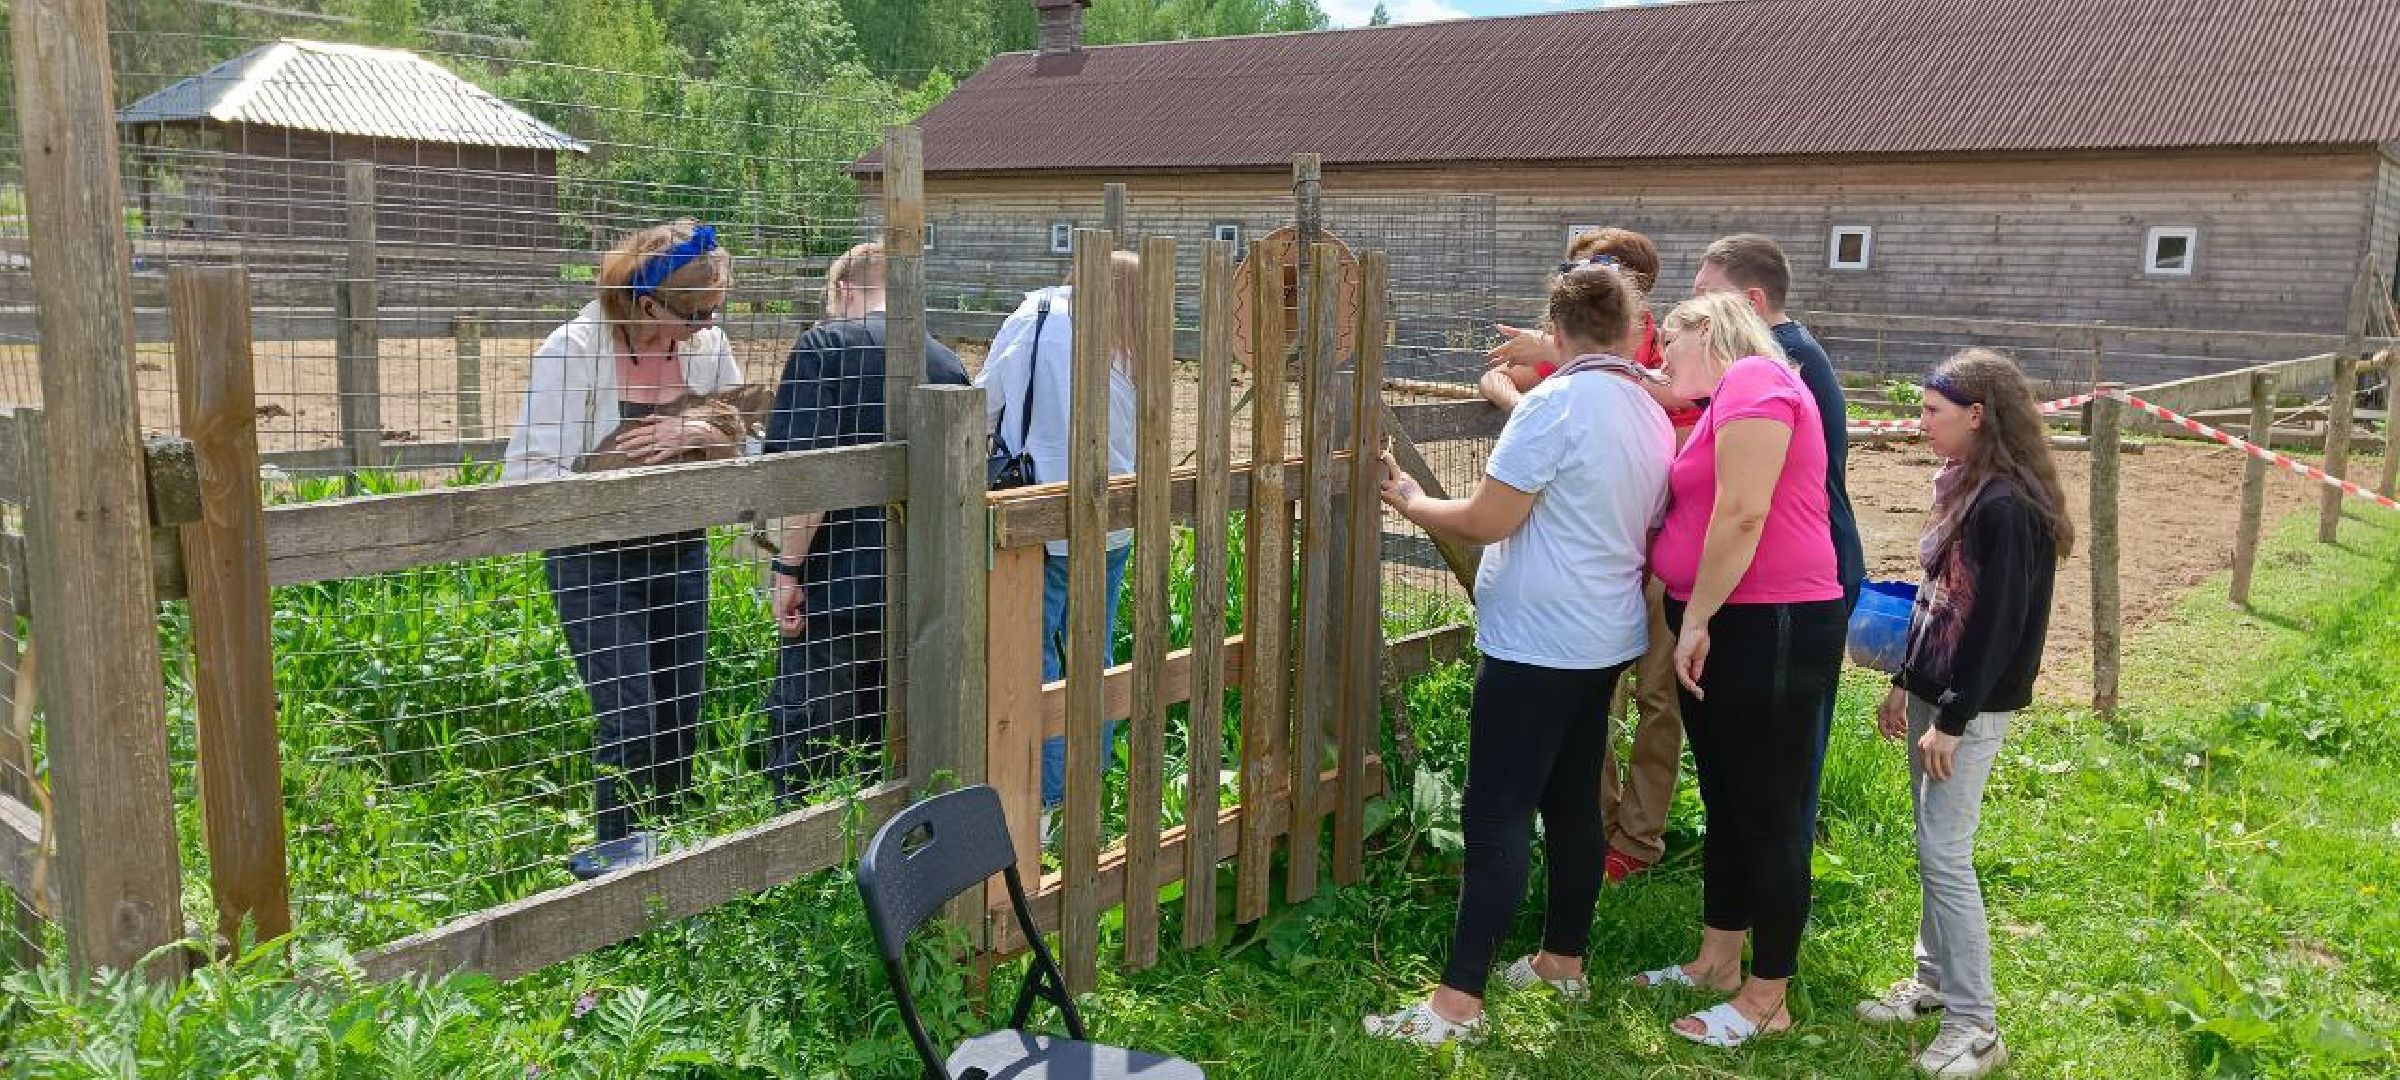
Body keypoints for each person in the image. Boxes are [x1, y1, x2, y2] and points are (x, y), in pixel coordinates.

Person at [1363, 261, 1673, 1046]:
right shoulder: (1643, 407)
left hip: (1539, 639)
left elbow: (1491, 518)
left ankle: (1456, 1006)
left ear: (1557, 330)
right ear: (1633, 327)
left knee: (1496, 810)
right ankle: (1562, 960)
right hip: (1605, 634)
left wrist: (1412, 500)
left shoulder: (1557, 406)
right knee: (1572, 801)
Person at [1632, 290, 1845, 1050]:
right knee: (1727, 795)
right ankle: (1718, 960)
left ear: (1707, 332)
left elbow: (1744, 512)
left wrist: (1695, 620)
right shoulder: (1729, 393)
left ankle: (1768, 995)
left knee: (1770, 807)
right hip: (1724, 618)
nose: (1661, 360)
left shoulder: (1757, 381)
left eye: (1670, 345)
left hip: (1769, 621)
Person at [503, 218, 743, 880]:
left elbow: (741, 444)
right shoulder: (574, 349)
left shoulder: (705, 348)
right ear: (647, 305)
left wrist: (694, 426)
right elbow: (526, 475)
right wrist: (613, 473)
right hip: (595, 562)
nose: (709, 325)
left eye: (715, 310)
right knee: (630, 715)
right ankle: (615, 871)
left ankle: (668, 862)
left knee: (679, 716)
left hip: (681, 551)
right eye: (696, 313)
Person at [1858, 349, 2069, 1078]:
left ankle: (1977, 1026)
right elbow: (1940, 602)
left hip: (1967, 708)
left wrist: (1951, 716)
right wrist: (1906, 681)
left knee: (1945, 852)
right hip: (1935, 691)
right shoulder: (1965, 489)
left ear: (1977, 416)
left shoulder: (2006, 508)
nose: (1920, 426)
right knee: (1931, 842)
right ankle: (1933, 984)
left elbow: (1997, 627)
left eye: (1931, 413)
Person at [1482, 227, 1701, 883]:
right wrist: (1528, 376)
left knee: (1658, 698)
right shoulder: (1576, 346)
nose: (1583, 281)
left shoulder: (1665, 348)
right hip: (1605, 556)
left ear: (1635, 291)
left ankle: (1638, 839)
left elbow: (1672, 392)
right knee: (1597, 698)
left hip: (1661, 548)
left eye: (1595, 270)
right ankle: (1594, 823)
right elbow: (1509, 375)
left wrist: (1530, 376)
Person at [762, 242, 969, 800]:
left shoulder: (824, 347)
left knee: (810, 739)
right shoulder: (946, 362)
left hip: (837, 583)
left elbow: (810, 479)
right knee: (894, 737)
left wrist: (786, 568)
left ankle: (800, 861)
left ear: (844, 289)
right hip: (920, 589)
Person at [976, 251, 1143, 819]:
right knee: (1092, 647)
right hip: (1116, 520)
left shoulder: (1036, 315)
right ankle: (1091, 780)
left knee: (1034, 648)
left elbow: (986, 398)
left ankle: (1047, 796)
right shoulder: (1136, 342)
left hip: (1042, 513)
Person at [1692, 233, 1865, 610]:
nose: (1697, 307)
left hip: (1801, 577)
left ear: (1753, 301)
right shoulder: (1782, 347)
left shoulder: (1773, 357)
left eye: (1708, 294)